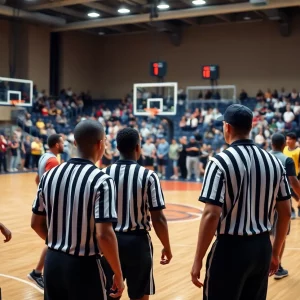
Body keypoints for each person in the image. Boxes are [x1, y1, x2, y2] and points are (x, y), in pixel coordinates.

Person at [191, 104, 291, 300]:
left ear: (227, 127)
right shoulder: (274, 162)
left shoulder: (219, 162)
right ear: (250, 127)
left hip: (229, 250)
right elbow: (286, 212)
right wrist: (276, 252)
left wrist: (198, 260)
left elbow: (211, 214)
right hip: (262, 247)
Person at [31, 120, 124, 300]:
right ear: (100, 144)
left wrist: (60, 244)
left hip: (52, 263)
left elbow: (35, 224)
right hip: (84, 267)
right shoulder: (102, 180)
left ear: (75, 143)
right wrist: (118, 273)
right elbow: (104, 235)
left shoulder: (49, 176)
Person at [103, 128, 172, 300]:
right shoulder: (149, 176)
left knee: (109, 294)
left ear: (117, 147)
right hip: (138, 243)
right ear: (138, 148)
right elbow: (158, 218)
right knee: (140, 296)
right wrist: (167, 246)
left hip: (110, 241)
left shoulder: (103, 174)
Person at [28, 134, 64, 289]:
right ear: (56, 144)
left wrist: (41, 195)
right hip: (51, 206)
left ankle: (37, 272)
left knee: (52, 240)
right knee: (54, 240)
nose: (64, 144)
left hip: (45, 203)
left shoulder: (44, 157)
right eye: (62, 142)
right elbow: (54, 182)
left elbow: (38, 179)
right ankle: (37, 272)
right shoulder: (53, 161)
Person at [270, 133, 300, 279]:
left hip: (263, 201)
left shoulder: (264, 156)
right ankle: (277, 266)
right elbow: (293, 182)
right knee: (280, 234)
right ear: (284, 145)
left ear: (271, 144)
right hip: (281, 201)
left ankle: (263, 264)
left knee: (267, 233)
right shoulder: (286, 159)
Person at [283, 132, 300, 219]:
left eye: (289, 139)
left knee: (298, 195)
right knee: (288, 195)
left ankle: (299, 207)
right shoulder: (284, 149)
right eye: (286, 139)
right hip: (285, 176)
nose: (287, 141)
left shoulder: (298, 151)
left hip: (296, 176)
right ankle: (292, 211)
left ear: (294, 140)